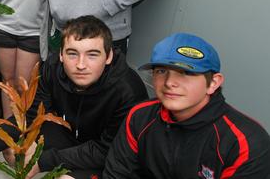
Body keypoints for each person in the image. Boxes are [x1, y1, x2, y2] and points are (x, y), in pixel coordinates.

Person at [0, 15, 148, 179]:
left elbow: (106, 150)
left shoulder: (128, 91)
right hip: (70, 135)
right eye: (72, 53)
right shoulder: (52, 69)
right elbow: (30, 113)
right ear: (61, 54)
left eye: (92, 55)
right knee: (13, 148)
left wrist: (43, 162)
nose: (80, 65)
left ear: (108, 56)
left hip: (108, 157)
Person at [104, 33, 270, 178]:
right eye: (161, 71)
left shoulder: (245, 142)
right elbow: (117, 173)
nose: (169, 82)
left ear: (213, 83)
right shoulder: (140, 116)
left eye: (186, 73)